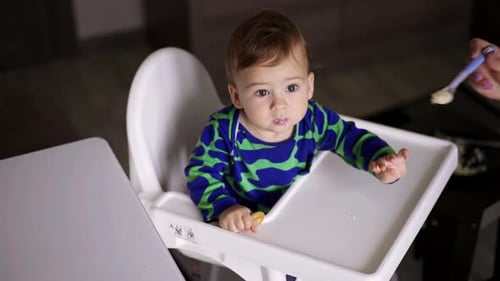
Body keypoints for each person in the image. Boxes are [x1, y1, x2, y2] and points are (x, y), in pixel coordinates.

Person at [184, 9, 409, 234]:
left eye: (291, 88)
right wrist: (225, 208)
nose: (279, 104)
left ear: (309, 86)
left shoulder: (312, 119)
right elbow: (200, 173)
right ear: (236, 97)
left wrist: (380, 160)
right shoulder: (223, 132)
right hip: (252, 226)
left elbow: (348, 137)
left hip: (298, 209)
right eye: (262, 92)